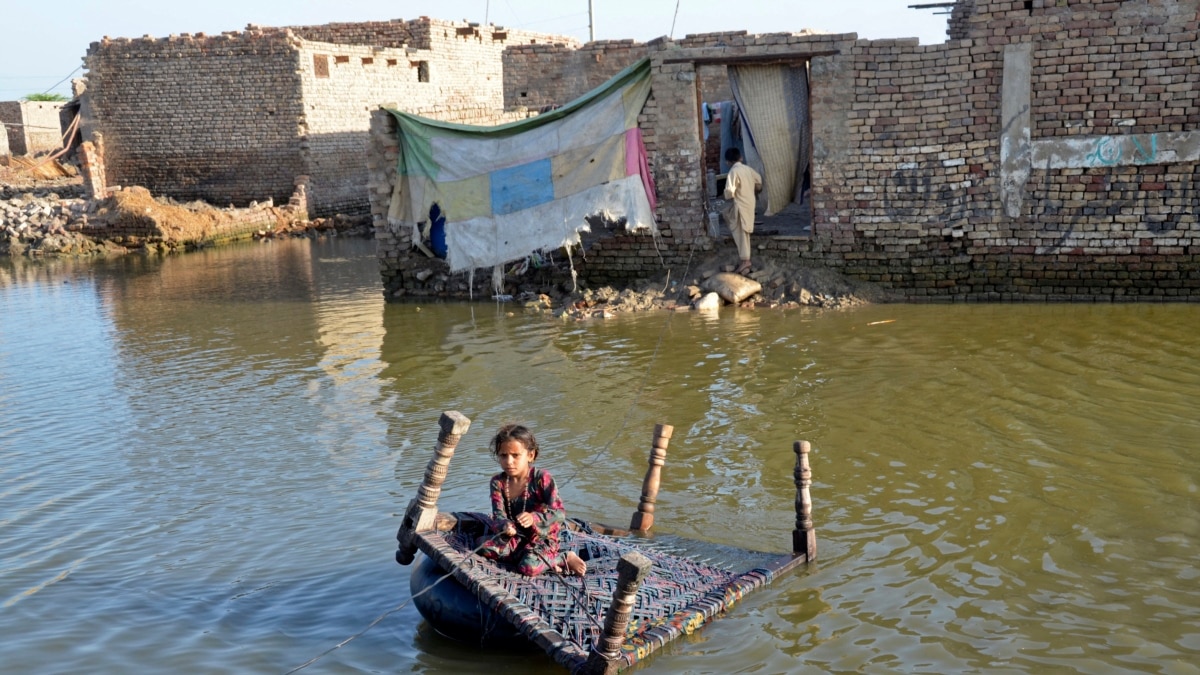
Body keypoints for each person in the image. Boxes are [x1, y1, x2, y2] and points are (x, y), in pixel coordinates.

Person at [477, 423, 587, 576]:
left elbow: (559, 513)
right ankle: (539, 561)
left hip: (542, 538)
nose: (509, 461)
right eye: (503, 455)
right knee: (483, 547)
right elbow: (498, 514)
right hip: (515, 536)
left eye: (515, 455)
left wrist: (533, 518)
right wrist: (505, 526)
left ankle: (562, 558)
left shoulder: (542, 478)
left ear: (530, 455)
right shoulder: (498, 482)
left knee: (528, 567)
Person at [722, 147, 763, 275]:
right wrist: (753, 190)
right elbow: (759, 182)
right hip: (750, 204)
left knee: (740, 231)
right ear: (741, 158)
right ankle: (745, 259)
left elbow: (729, 192)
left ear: (728, 162)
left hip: (740, 204)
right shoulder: (748, 169)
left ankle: (745, 260)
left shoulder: (733, 172)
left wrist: (727, 195)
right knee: (743, 229)